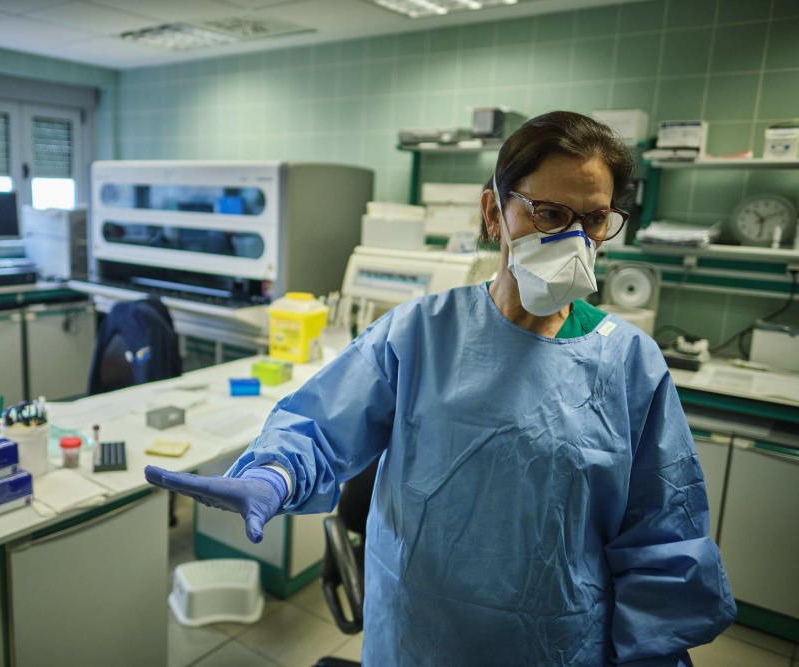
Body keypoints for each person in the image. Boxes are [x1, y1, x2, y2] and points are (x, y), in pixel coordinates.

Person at [146, 111, 736, 666]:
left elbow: (663, 531)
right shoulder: (420, 333)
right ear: (493, 213)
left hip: (553, 639)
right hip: (416, 631)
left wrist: (656, 650)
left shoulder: (630, 363)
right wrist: (271, 476)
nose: (575, 242)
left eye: (593, 221)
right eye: (550, 215)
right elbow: (320, 426)